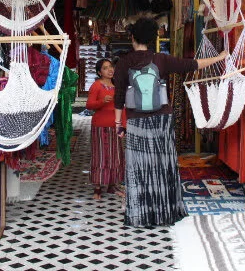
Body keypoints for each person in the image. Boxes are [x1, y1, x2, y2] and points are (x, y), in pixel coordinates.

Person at [113, 17, 227, 227]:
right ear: (152, 38)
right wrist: (220, 57)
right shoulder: (161, 60)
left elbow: (119, 96)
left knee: (139, 168)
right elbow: (192, 64)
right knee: (163, 166)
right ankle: (166, 211)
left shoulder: (123, 63)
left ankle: (140, 214)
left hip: (136, 122)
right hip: (162, 120)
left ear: (132, 37)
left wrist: (119, 124)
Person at [86, 58, 126, 200]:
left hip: (115, 126)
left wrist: (123, 125)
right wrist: (102, 101)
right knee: (100, 156)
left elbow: (122, 107)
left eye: (111, 67)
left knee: (115, 156)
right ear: (99, 72)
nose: (110, 70)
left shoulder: (118, 86)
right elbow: (89, 105)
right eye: (105, 68)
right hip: (100, 126)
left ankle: (112, 185)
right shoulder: (97, 86)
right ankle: (98, 188)